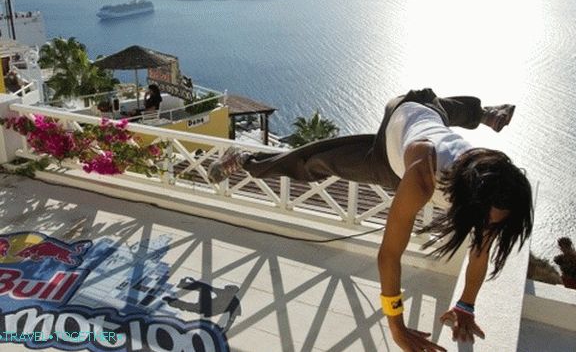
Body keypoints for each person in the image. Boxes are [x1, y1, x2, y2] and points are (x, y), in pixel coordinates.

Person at [208, 88, 533, 351]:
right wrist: (396, 326)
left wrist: (466, 305)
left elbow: (481, 251)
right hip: (401, 124)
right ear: (465, 197)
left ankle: (486, 113)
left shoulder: (495, 193)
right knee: (313, 161)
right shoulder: (423, 174)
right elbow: (389, 254)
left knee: (444, 110)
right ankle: (243, 160)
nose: (487, 230)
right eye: (486, 223)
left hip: (422, 128)